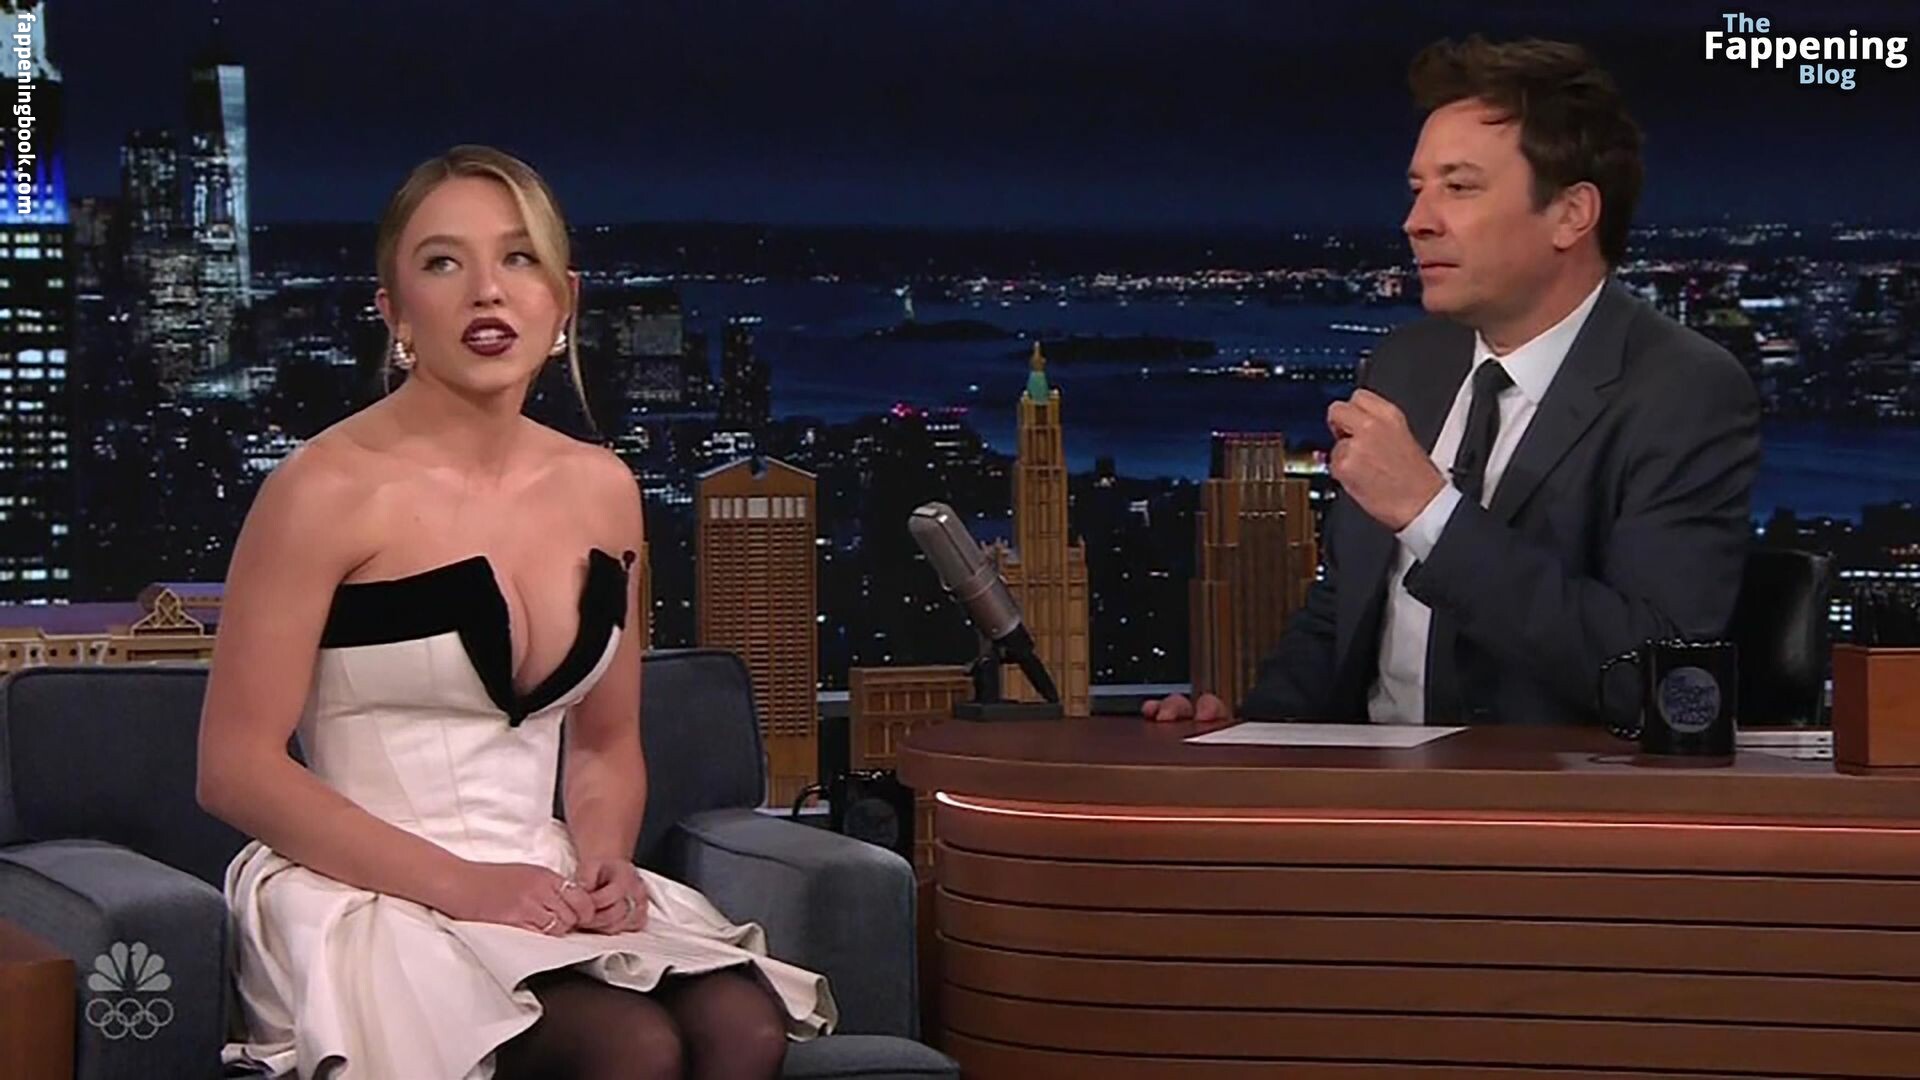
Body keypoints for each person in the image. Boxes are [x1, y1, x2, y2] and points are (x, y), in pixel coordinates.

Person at [197, 145, 834, 1080]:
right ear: (393, 310)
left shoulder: (603, 488)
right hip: (367, 891)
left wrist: (606, 861)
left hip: (543, 879)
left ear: (563, 300)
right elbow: (235, 770)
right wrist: (464, 885)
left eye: (519, 257)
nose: (486, 291)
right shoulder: (321, 491)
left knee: (744, 1027)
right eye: (442, 263)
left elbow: (606, 744)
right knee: (633, 1046)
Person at [1147, 36, 1760, 728]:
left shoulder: (1684, 391)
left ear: (1571, 214)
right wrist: (1253, 734)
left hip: (1535, 791)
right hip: (1365, 783)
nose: (1416, 223)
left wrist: (1428, 512)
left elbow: (1657, 677)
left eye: (1459, 188)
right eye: (1418, 191)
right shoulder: (1405, 365)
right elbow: (1341, 613)